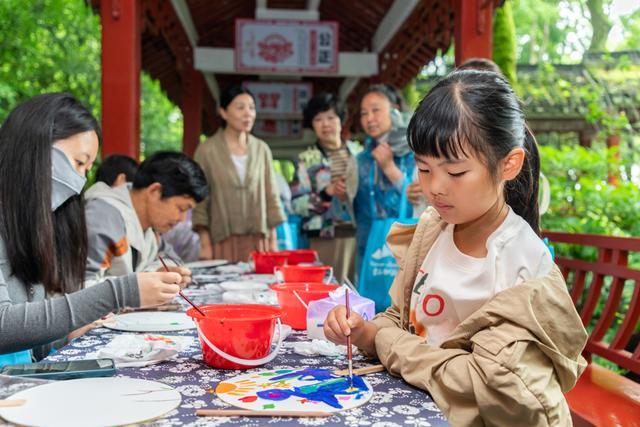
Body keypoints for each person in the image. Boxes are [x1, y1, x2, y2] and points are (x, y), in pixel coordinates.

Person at [324, 71, 588, 425]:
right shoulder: (434, 230)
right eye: (424, 169)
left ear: (508, 164)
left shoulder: (522, 261)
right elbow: (402, 318)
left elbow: (488, 382)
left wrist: (382, 341)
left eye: (457, 172)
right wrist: (362, 329)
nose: (436, 188)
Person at [0, 93, 183, 361]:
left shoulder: (32, 225)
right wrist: (119, 293)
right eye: (78, 163)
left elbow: (27, 343)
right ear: (36, 146)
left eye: (87, 168)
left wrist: (64, 333)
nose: (79, 181)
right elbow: (4, 327)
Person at [193, 85, 286, 262]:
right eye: (240, 107)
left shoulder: (262, 149)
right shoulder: (207, 150)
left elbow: (271, 194)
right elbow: (201, 199)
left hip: (259, 240)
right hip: (221, 240)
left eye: (251, 108)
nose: (248, 113)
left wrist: (273, 239)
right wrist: (205, 243)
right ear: (223, 112)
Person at [84, 152, 208, 284]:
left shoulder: (150, 227)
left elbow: (172, 259)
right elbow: (81, 288)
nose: (182, 219)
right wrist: (142, 285)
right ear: (155, 191)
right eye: (181, 208)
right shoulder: (103, 217)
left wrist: (162, 274)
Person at [290, 93, 359, 281]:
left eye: (330, 117)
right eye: (318, 119)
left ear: (340, 119)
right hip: (323, 238)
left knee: (358, 292)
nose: (325, 124)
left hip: (359, 235)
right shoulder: (306, 160)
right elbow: (296, 203)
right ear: (312, 125)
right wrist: (326, 194)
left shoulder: (359, 154)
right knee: (327, 291)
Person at [353, 84, 417, 274]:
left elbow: (419, 196)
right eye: (364, 113)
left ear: (394, 110)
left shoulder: (413, 150)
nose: (369, 118)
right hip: (367, 242)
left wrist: (389, 168)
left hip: (402, 241)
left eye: (376, 110)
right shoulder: (362, 159)